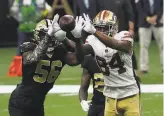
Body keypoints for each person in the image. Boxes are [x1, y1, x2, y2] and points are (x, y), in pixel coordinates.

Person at [8, 14, 84, 116]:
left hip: (38, 104)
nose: (50, 38)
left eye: (53, 35)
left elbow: (78, 59)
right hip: (20, 103)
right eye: (44, 35)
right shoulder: (29, 45)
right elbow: (33, 58)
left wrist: (76, 38)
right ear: (38, 35)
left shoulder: (59, 50)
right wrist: (48, 35)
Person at [78, 10, 141, 116]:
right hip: (110, 96)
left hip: (129, 94)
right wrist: (76, 37)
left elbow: (115, 44)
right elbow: (78, 53)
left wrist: (95, 32)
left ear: (114, 27)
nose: (101, 31)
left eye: (105, 28)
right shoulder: (92, 40)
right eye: (99, 28)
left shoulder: (124, 36)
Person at [136, 0, 163, 73]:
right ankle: (144, 68)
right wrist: (148, 18)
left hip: (158, 23)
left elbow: (161, 8)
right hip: (144, 24)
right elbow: (139, 9)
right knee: (143, 46)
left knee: (163, 46)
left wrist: (156, 17)